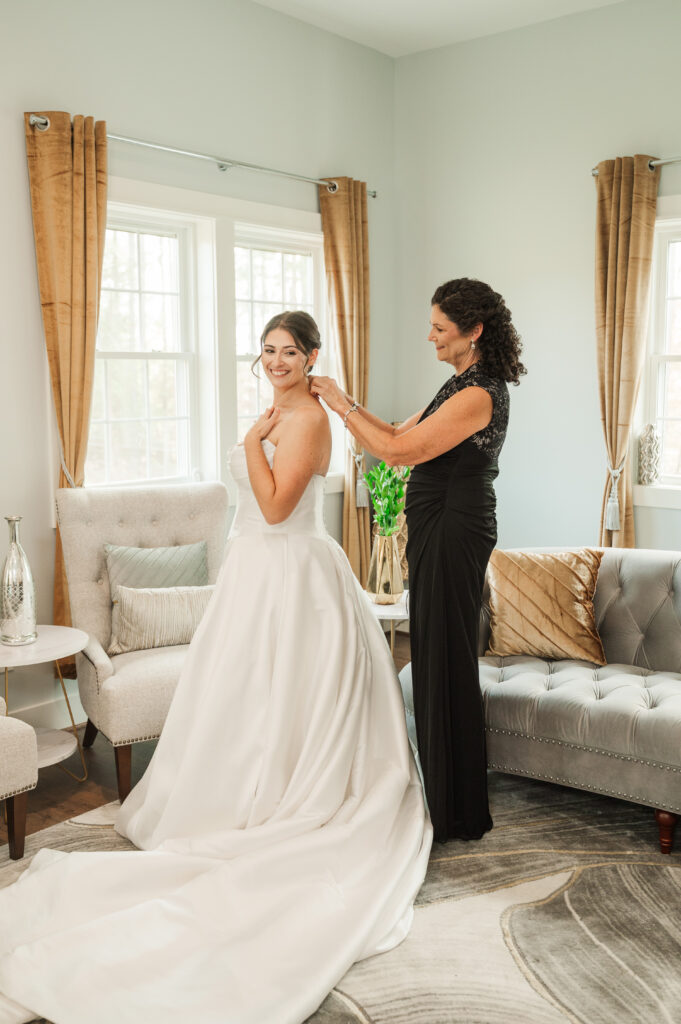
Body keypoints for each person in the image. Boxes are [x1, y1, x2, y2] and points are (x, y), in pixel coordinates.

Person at [0, 311, 432, 1024]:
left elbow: (272, 503)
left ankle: (291, 794)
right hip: (255, 572)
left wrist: (248, 442)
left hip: (296, 573)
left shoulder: (312, 423)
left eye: (288, 352)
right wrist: (259, 432)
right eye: (266, 351)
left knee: (296, 693)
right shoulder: (274, 411)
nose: (275, 361)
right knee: (242, 696)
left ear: (313, 355)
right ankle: (238, 791)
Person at [311, 279, 525, 843]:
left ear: (473, 331)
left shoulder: (479, 393)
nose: (429, 335)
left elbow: (399, 454)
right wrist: (348, 411)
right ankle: (442, 795)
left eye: (439, 328)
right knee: (432, 651)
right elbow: (392, 433)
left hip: (456, 527)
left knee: (447, 657)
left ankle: (458, 812)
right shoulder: (457, 383)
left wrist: (340, 403)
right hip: (438, 525)